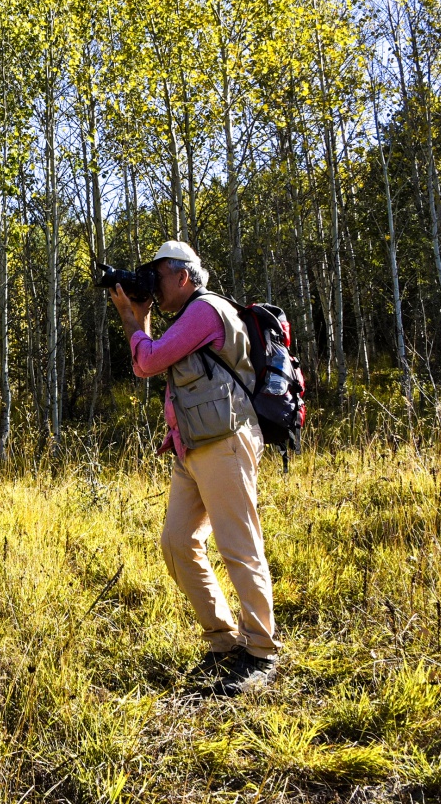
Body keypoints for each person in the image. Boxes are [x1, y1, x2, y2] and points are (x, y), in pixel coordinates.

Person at [108, 240, 279, 695]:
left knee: (239, 545)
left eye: (157, 277)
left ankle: (261, 653)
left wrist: (133, 319)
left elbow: (147, 361)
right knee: (178, 542)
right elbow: (181, 377)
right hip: (194, 447)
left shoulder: (205, 312)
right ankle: (223, 641)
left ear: (181, 275)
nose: (153, 286)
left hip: (224, 443)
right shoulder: (188, 319)